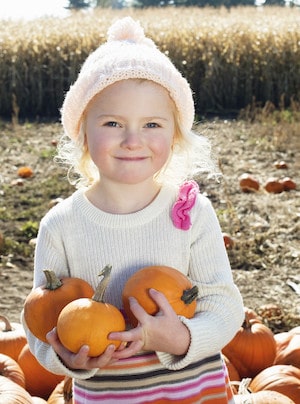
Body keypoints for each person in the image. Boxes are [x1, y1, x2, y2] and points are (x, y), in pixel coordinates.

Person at [22, 16, 244, 403]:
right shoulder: (61, 226)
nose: (132, 140)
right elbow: (41, 324)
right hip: (110, 396)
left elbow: (224, 304)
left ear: (174, 137)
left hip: (197, 393)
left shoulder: (191, 213)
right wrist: (66, 359)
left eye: (152, 124)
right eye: (112, 122)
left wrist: (180, 337)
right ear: (83, 133)